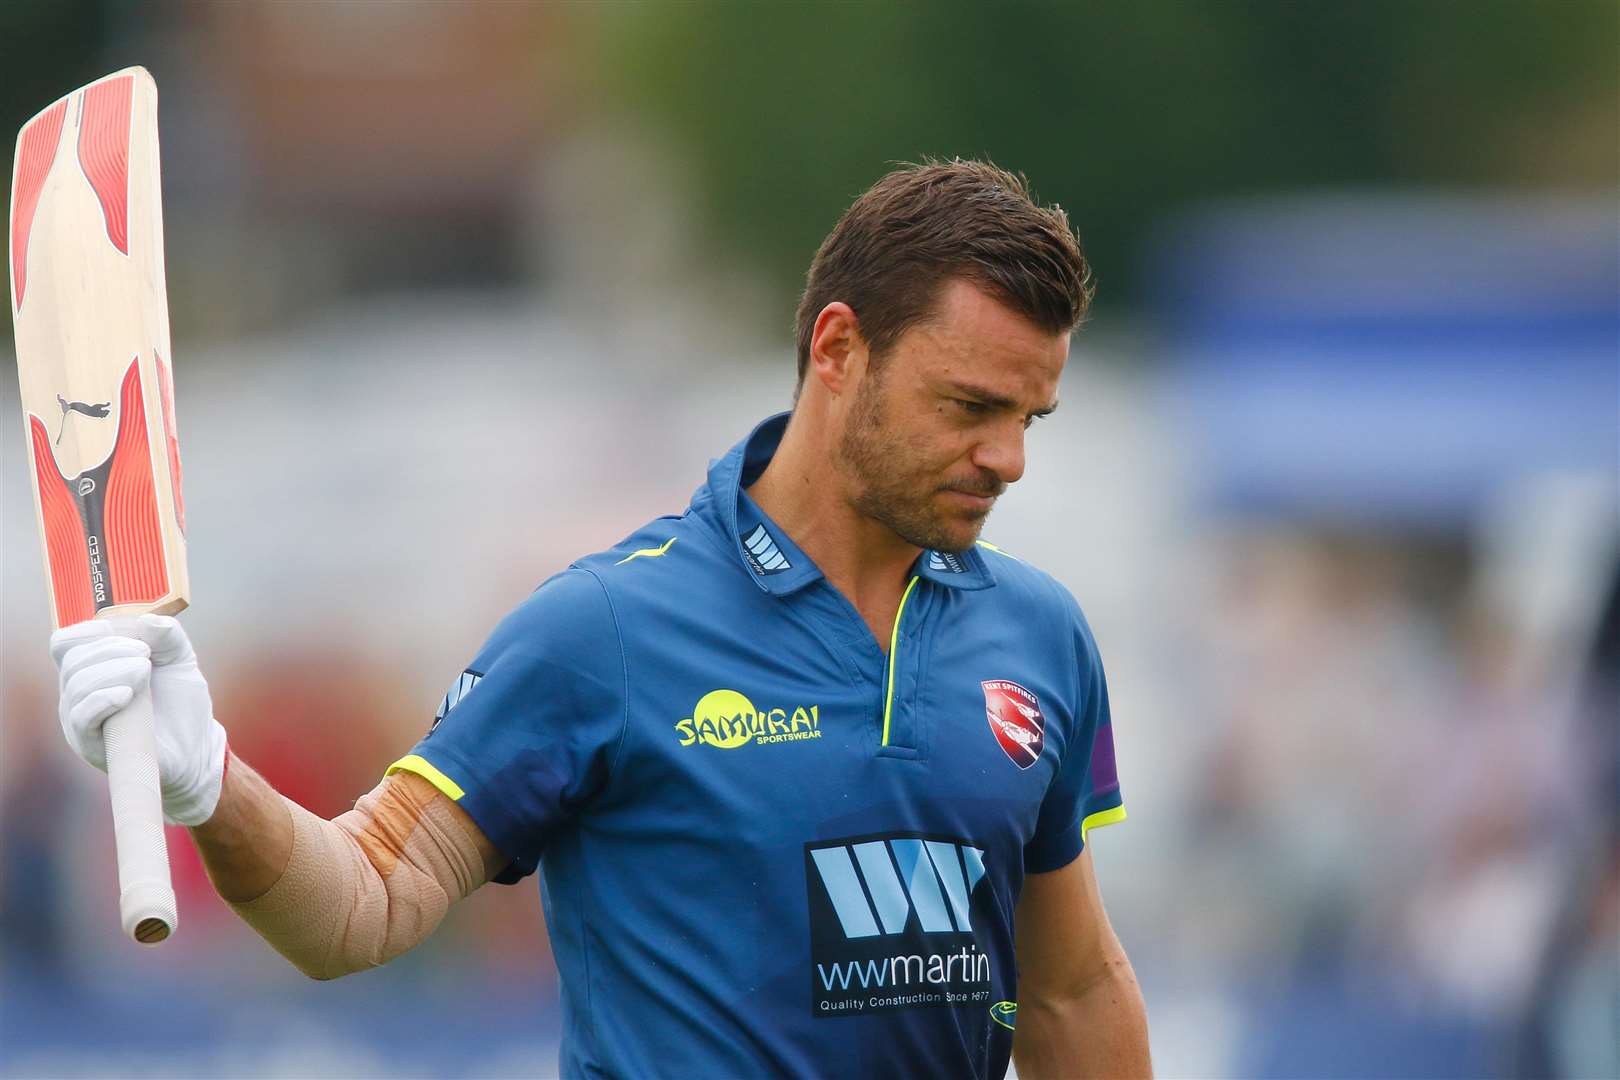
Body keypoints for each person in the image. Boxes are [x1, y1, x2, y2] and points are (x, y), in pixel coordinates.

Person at [50, 159, 1152, 1079]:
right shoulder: (605, 631)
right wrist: (210, 783)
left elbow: (1069, 990)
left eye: (1029, 417)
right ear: (836, 350)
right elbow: (361, 906)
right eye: (969, 407)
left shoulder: (1039, 635)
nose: (1006, 458)